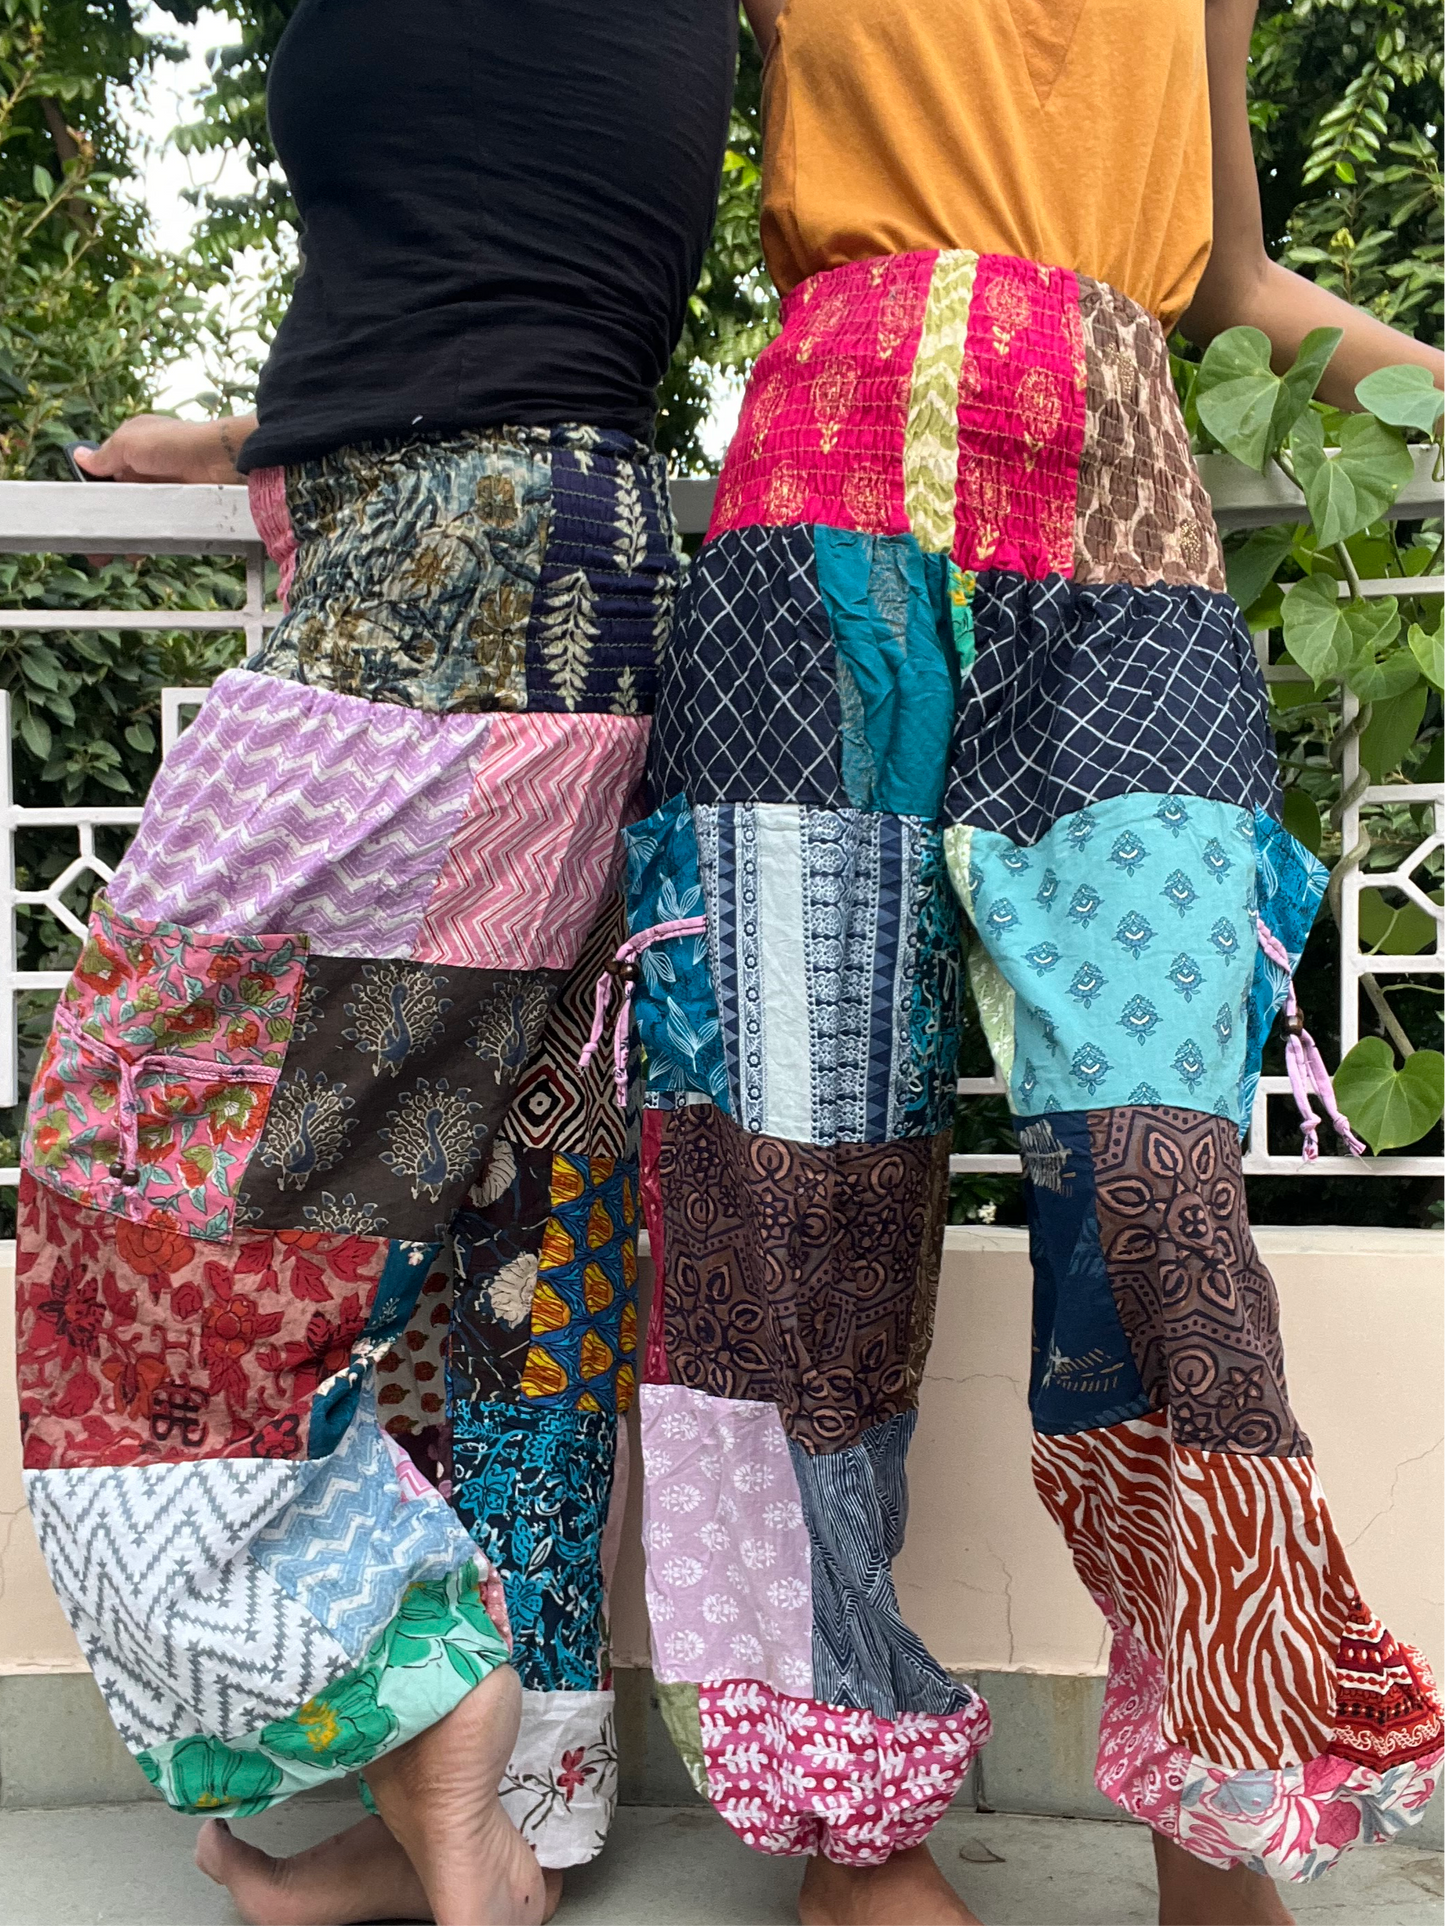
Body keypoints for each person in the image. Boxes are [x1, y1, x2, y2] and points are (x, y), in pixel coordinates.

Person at [629, 2, 1445, 1923]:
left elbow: (1231, 280)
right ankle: (856, 1834)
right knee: (790, 1184)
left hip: (1122, 514)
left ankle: (1218, 1795)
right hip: (813, 504)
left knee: (1158, 1174)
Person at [17, 4, 735, 1924]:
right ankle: (477, 1822)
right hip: (536, 558)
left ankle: (430, 1700)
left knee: (129, 1171)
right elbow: (487, 261)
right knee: (487, 1200)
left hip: (444, 572)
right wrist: (261, 443)